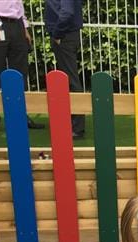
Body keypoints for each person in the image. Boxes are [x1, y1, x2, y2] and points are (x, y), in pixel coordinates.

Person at [0, 0, 45, 134]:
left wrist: (24, 27)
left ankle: (21, 116)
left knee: (20, 74)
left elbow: (17, 3)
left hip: (17, 25)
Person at [44, 0, 85, 139]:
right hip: (67, 34)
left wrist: (57, 33)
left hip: (64, 35)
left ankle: (77, 126)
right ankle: (73, 124)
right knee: (69, 79)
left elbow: (67, 12)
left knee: (71, 80)